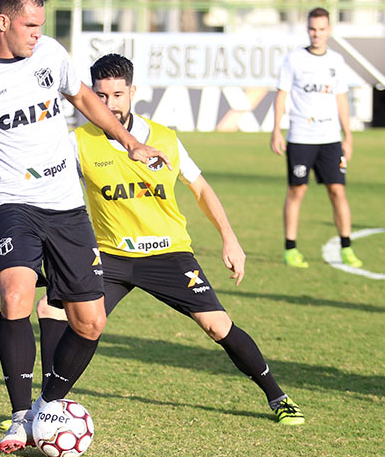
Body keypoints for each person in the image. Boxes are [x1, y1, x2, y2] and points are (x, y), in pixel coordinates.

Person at [0, 0, 170, 454]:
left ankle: (49, 404)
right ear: (3, 22)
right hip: (11, 204)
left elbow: (85, 100)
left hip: (65, 206)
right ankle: (20, 415)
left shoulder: (51, 56)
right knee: (16, 293)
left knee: (91, 323)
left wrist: (132, 143)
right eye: (29, 25)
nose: (37, 34)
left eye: (42, 26)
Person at [31, 53, 304, 426]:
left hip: (169, 254)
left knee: (217, 326)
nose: (109, 104)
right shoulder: (78, 142)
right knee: (52, 310)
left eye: (117, 94)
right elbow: (44, 184)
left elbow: (202, 188)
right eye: (101, 96)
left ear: (133, 92)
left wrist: (230, 239)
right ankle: (47, 406)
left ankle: (277, 395)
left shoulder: (165, 139)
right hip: (109, 257)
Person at [270, 7, 363, 269]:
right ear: (307, 29)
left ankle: (347, 248)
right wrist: (277, 130)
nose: (316, 34)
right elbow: (281, 95)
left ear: (329, 30)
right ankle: (291, 249)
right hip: (300, 137)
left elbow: (341, 99)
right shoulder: (294, 60)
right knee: (296, 192)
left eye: (321, 29)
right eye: (312, 29)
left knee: (338, 191)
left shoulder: (336, 62)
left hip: (330, 139)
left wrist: (348, 136)